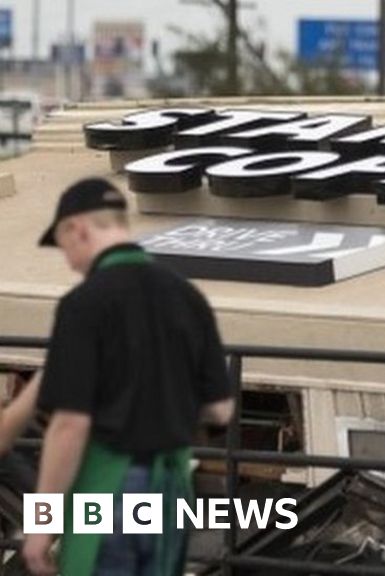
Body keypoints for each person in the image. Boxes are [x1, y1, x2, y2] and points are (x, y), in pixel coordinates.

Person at [23, 178, 235, 576]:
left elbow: (69, 425)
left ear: (78, 230)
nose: (68, 260)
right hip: (171, 483)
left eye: (64, 246)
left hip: (109, 484)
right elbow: (220, 410)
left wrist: (42, 525)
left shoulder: (83, 304)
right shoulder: (187, 295)